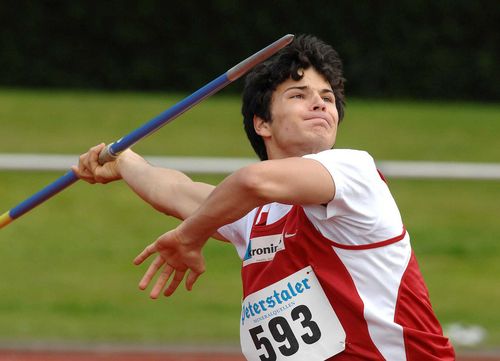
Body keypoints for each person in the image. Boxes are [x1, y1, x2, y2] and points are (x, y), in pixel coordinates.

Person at [73, 35, 455, 360]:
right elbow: (177, 191)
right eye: (299, 95)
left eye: (326, 96)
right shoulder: (255, 215)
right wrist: (125, 162)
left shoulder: (352, 172)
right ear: (263, 123)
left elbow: (251, 182)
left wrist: (191, 235)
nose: (321, 103)